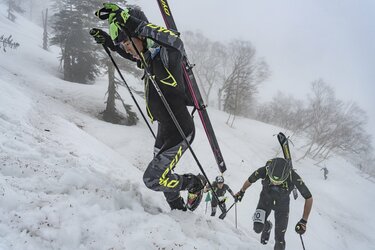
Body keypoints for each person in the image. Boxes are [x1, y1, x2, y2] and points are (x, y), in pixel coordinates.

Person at [92, 3, 206, 211]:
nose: (127, 49)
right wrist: (109, 42)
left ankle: (194, 183)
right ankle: (177, 208)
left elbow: (175, 41)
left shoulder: (167, 54)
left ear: (140, 35)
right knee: (162, 175)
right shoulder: (148, 57)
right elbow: (131, 52)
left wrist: (130, 22)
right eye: (124, 45)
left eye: (127, 42)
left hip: (181, 130)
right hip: (165, 128)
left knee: (153, 179)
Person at [234, 158, 313, 250]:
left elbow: (309, 198)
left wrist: (304, 221)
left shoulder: (293, 176)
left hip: (282, 207)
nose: (275, 183)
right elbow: (250, 180)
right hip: (265, 201)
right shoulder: (264, 170)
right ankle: (267, 225)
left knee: (279, 239)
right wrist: (241, 192)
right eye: (272, 180)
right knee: (257, 228)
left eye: (279, 182)